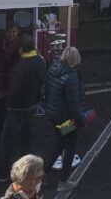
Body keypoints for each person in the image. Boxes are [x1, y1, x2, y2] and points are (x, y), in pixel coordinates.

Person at [0, 34, 46, 178]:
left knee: (8, 141)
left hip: (18, 108)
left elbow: (14, 89)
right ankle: (28, 169)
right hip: (32, 105)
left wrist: (8, 104)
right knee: (28, 139)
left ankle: (5, 172)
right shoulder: (41, 61)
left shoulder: (21, 67)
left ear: (20, 50)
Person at [43, 46, 88, 189]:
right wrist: (81, 121)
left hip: (53, 115)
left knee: (59, 143)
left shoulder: (53, 69)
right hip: (67, 119)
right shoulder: (72, 76)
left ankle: (42, 175)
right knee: (70, 146)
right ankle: (63, 181)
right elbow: (74, 103)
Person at [0, 23, 21, 180]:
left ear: (17, 33)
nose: (11, 34)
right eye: (9, 31)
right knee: (1, 109)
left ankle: (4, 136)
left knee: (10, 109)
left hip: (12, 82)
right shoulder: (1, 45)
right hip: (2, 81)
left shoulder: (18, 47)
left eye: (13, 31)